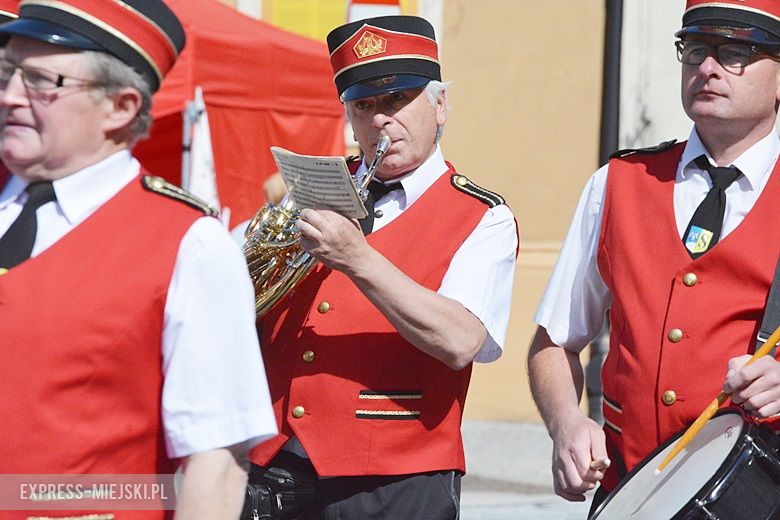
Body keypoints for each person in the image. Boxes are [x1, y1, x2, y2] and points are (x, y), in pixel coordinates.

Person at [0, 1, 277, 518]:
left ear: (121, 107)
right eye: (7, 71)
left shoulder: (189, 244)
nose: (10, 95)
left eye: (40, 80)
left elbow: (214, 460)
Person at [245, 14, 518, 520]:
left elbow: (461, 341)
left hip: (396, 479)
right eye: (363, 105)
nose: (380, 120)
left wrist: (358, 258)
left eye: (397, 101)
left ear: (439, 108)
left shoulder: (483, 216)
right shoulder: (309, 189)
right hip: (274, 464)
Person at [527, 0, 780, 514]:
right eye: (695, 49)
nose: (707, 67)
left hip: (758, 494)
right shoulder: (618, 184)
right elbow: (553, 344)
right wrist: (566, 424)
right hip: (630, 493)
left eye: (735, 51)